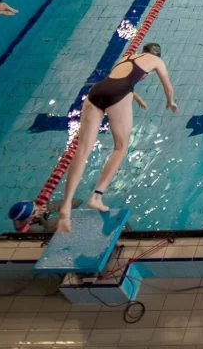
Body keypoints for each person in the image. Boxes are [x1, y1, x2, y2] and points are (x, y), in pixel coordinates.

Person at [57, 44, 176, 232]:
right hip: (119, 95)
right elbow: (168, 87)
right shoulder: (156, 61)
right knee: (120, 147)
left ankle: (65, 206)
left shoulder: (127, 56)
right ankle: (96, 196)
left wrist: (136, 97)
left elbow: (117, 80)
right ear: (157, 55)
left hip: (97, 91)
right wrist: (171, 101)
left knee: (82, 151)